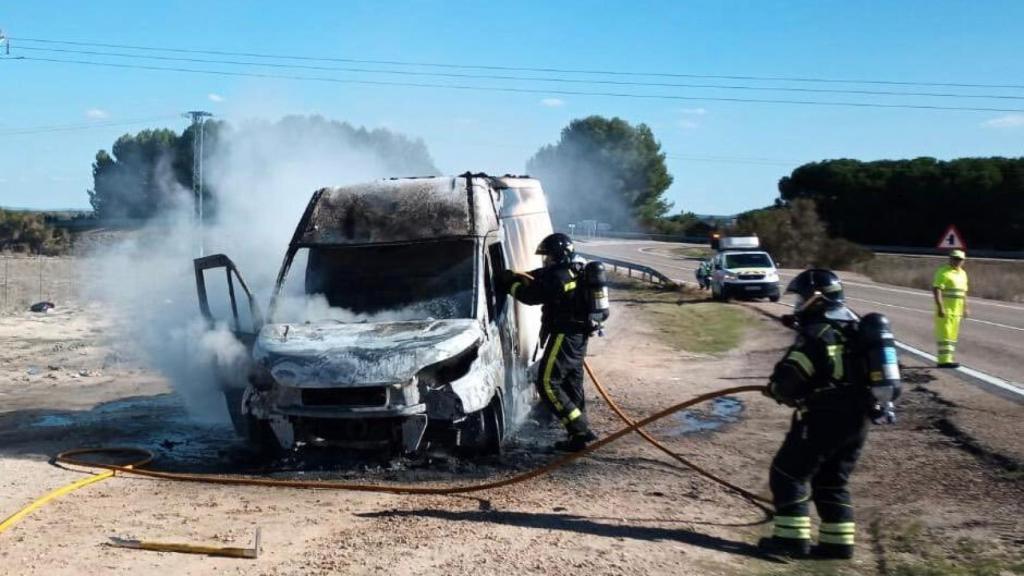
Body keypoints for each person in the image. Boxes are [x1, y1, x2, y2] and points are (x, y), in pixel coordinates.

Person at [759, 269, 899, 560]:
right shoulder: (856, 329)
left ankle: (790, 541)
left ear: (816, 298)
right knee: (832, 480)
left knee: (788, 473)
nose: (798, 304)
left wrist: (775, 390)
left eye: (801, 298)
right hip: (858, 420)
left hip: (824, 418)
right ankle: (838, 545)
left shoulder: (818, 333)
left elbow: (789, 380)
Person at [500, 232, 601, 452]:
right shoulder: (572, 271)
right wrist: (518, 274)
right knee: (570, 384)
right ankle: (579, 436)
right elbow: (539, 276)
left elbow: (531, 296)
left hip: (565, 335)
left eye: (548, 257)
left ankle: (579, 427)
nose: (546, 261)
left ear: (557, 256)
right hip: (577, 337)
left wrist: (509, 285)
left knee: (547, 383)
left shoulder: (560, 277)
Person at [933, 249, 969, 368]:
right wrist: (940, 307)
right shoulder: (943, 272)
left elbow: (963, 292)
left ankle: (949, 358)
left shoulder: (962, 273)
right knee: (945, 335)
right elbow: (937, 289)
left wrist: (966, 308)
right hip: (946, 310)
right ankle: (943, 361)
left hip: (957, 311)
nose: (956, 261)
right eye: (954, 258)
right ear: (950, 258)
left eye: (959, 259)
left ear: (963, 261)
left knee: (952, 336)